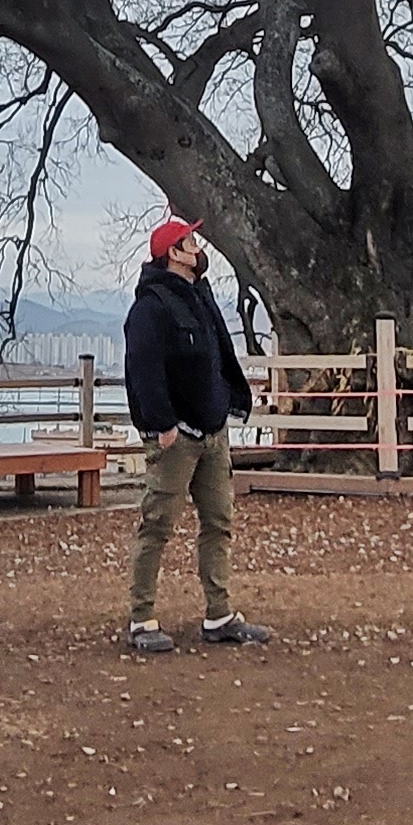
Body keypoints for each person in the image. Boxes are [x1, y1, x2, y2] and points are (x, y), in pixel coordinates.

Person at [120, 217, 268, 655]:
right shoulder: (150, 309)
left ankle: (219, 614)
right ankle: (141, 617)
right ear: (174, 254)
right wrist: (163, 425)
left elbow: (220, 352)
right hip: (176, 439)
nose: (199, 246)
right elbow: (144, 372)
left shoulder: (201, 298)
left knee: (219, 521)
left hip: (213, 432)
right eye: (191, 241)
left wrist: (231, 400)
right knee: (157, 525)